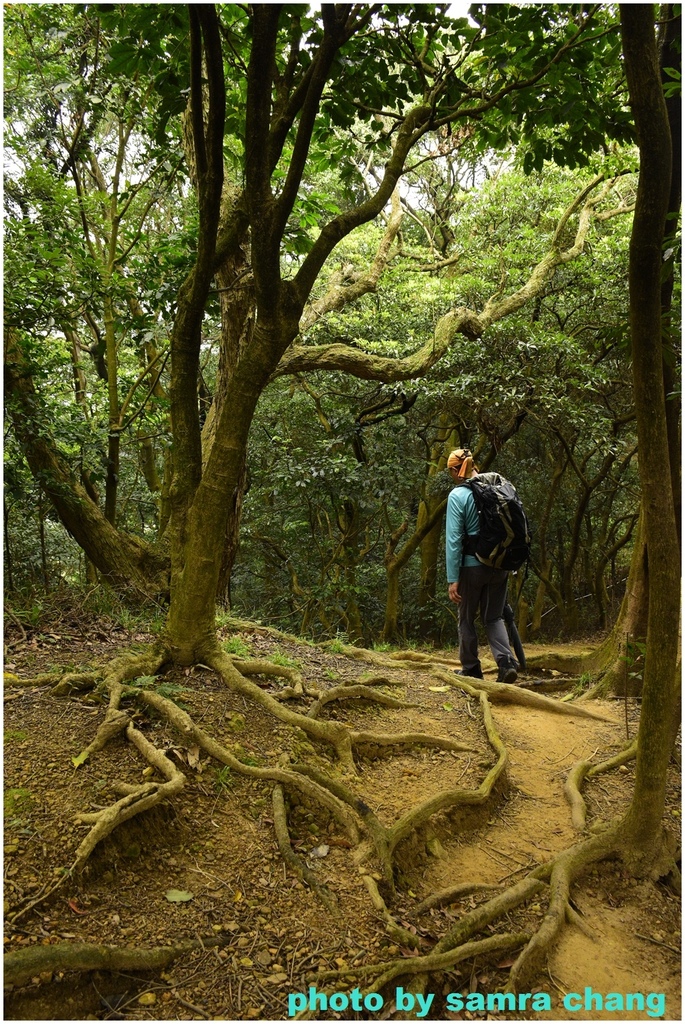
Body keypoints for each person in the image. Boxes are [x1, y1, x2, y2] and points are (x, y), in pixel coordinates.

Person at [445, 448, 519, 683]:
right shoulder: (498, 487)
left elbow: (454, 539)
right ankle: (506, 663)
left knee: (466, 618)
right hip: (500, 563)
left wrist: (452, 578)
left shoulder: (458, 496)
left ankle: (471, 668)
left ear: (457, 470)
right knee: (494, 617)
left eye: (450, 471)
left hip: (471, 567)